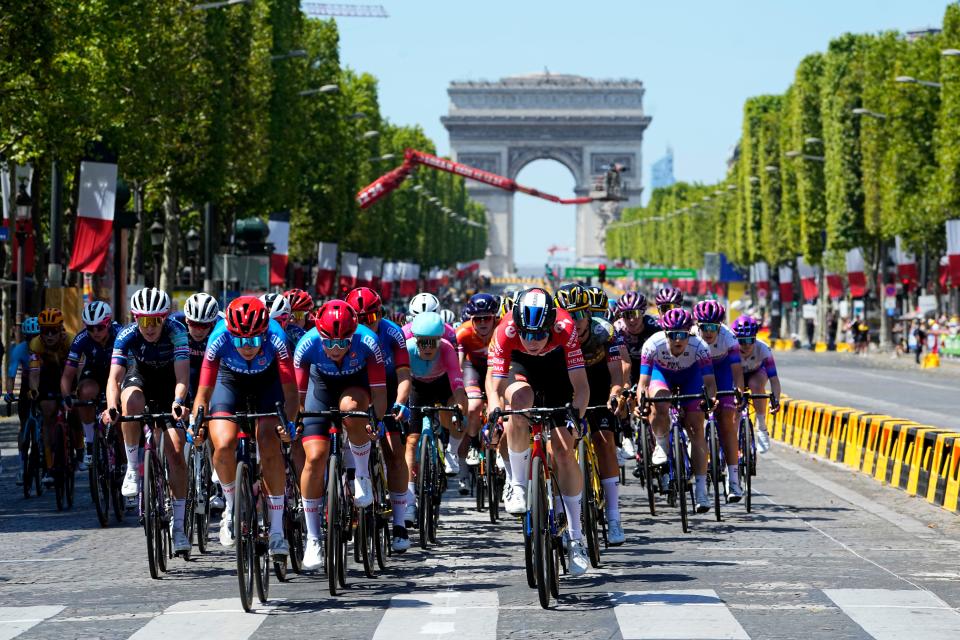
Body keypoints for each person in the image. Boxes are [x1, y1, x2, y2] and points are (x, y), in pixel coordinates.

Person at [485, 288, 591, 577]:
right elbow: (494, 388)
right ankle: (517, 483)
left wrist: (576, 417)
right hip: (520, 370)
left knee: (563, 451)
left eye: (538, 335)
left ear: (550, 327)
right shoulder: (506, 330)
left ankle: (576, 538)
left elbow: (581, 387)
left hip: (557, 372)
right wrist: (494, 412)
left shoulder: (565, 328)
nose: (532, 341)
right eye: (526, 334)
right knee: (517, 404)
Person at [189, 296, 299, 558]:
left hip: (267, 382)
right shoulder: (218, 339)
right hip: (230, 381)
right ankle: (231, 506)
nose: (246, 347)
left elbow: (291, 394)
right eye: (240, 340)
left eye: (253, 340)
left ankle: (276, 532)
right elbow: (203, 395)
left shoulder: (277, 338)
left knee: (269, 441)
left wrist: (289, 423)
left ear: (264, 332)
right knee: (224, 444)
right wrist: (196, 425)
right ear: (230, 333)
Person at [293, 300, 388, 570]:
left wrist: (377, 421)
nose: (335, 350)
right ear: (319, 335)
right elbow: (296, 399)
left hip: (354, 386)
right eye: (329, 343)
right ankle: (313, 538)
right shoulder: (307, 345)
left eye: (342, 344)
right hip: (319, 387)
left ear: (353, 336)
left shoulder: (368, 342)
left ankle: (361, 475)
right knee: (315, 458)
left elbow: (379, 393)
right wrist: (297, 423)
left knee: (352, 411)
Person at [102, 288, 192, 552]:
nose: (149, 327)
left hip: (169, 385)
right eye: (144, 321)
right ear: (135, 319)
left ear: (164, 318)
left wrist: (178, 403)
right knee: (129, 403)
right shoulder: (126, 335)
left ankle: (178, 528)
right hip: (139, 378)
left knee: (176, 452)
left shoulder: (177, 332)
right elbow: (114, 379)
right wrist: (111, 407)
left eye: (155, 321)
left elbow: (182, 377)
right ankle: (132, 467)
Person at [554, 285, 627, 545]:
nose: (576, 321)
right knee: (559, 450)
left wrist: (615, 393)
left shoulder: (604, 332)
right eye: (569, 315)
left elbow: (616, 373)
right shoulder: (553, 335)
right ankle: (560, 516)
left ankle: (614, 516)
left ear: (589, 314)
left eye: (581, 314)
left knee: (605, 441)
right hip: (567, 388)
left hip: (597, 385)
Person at [345, 286, 414, 552]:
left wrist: (400, 402)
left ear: (380, 315)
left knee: (395, 453)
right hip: (356, 388)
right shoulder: (346, 334)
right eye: (361, 320)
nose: (366, 324)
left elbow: (404, 374)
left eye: (372, 318)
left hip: (386, 386)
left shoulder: (392, 333)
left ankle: (398, 523)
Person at [635, 308, 718, 514]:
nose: (678, 340)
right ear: (665, 334)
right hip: (661, 375)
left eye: (682, 335)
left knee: (697, 428)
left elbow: (709, 383)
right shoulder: (652, 345)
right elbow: (643, 383)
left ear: (690, 332)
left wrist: (710, 400)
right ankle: (662, 444)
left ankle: (700, 490)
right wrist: (641, 403)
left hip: (690, 378)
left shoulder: (701, 347)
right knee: (660, 402)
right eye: (673, 335)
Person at [406, 311, 469, 491]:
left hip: (443, 385)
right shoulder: (407, 348)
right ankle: (409, 496)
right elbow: (399, 380)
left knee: (462, 410)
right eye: (422, 342)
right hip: (417, 387)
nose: (427, 347)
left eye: (432, 342)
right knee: (411, 441)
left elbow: (457, 383)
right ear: (415, 339)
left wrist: (458, 406)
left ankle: (451, 451)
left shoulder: (447, 349)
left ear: (440, 340)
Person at [691, 300, 745, 502]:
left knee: (727, 424)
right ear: (698, 326)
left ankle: (733, 481)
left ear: (720, 326)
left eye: (713, 327)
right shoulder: (691, 336)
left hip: (721, 372)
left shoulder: (729, 338)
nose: (709, 331)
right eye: (704, 327)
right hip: (697, 371)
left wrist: (738, 390)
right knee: (693, 419)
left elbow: (737, 370)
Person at [60, 301, 121, 468]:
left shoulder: (120, 334)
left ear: (108, 323)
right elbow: (67, 375)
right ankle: (90, 441)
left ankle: (124, 451)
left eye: (100, 327)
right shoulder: (81, 339)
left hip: (117, 373)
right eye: (90, 327)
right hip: (93, 373)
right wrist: (66, 397)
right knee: (85, 392)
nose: (95, 332)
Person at [456, 293, 501, 478]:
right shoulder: (463, 332)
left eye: (487, 318)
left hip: (497, 369)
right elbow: (458, 367)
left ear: (494, 318)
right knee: (474, 406)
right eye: (478, 319)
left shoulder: (502, 329)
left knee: (500, 408)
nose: (483, 323)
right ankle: (474, 445)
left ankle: (500, 448)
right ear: (471, 319)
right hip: (472, 368)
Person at [28, 308, 74, 483]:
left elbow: (77, 371)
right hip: (48, 375)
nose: (49, 336)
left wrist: (75, 392)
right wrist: (34, 389)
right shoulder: (35, 344)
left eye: (53, 331)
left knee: (76, 408)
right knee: (48, 413)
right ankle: (49, 466)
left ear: (61, 329)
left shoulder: (70, 341)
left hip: (68, 372)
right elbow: (34, 373)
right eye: (44, 331)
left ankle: (79, 449)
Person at [731, 315, 781, 453]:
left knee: (755, 384)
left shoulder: (763, 349)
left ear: (755, 338)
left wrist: (775, 400)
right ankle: (732, 444)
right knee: (735, 405)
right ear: (736, 339)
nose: (746, 345)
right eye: (742, 341)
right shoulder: (731, 348)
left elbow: (774, 379)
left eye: (750, 340)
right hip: (735, 376)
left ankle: (762, 428)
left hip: (757, 373)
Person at [6, 317, 40, 485]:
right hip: (27, 384)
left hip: (44, 379)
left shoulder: (45, 346)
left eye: (37, 336)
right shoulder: (19, 350)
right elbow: (11, 374)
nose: (33, 340)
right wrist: (10, 392)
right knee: (24, 425)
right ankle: (21, 466)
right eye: (29, 337)